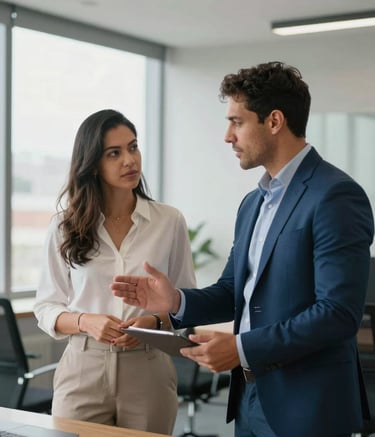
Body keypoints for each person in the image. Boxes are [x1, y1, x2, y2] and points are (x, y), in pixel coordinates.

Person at [111, 62, 375, 437]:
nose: (227, 136)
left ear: (274, 121)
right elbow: (233, 291)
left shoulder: (335, 196)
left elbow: (337, 314)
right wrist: (176, 302)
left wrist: (242, 348)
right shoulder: (253, 202)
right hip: (249, 397)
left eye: (236, 121)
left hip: (308, 406)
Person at [34, 109, 196, 434]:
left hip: (148, 367)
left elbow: (186, 303)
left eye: (133, 147)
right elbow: (46, 307)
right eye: (114, 153)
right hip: (83, 367)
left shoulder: (169, 221)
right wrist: (86, 321)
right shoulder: (64, 226)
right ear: (92, 163)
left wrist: (152, 322)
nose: (129, 160)